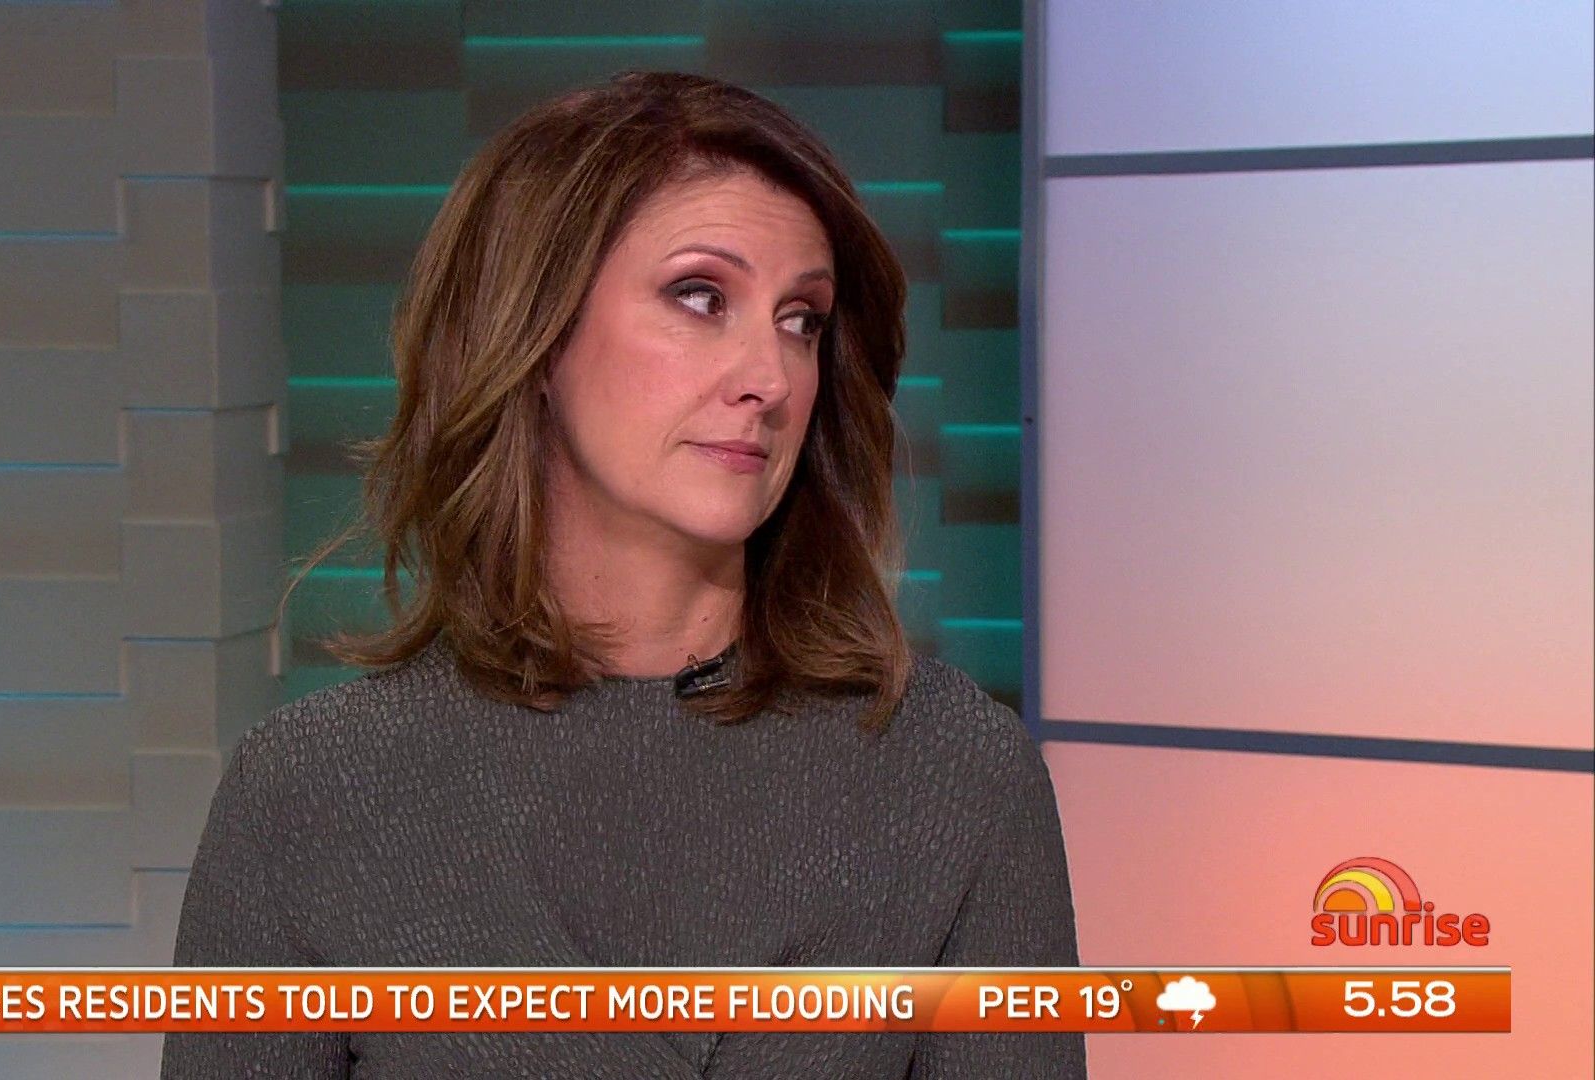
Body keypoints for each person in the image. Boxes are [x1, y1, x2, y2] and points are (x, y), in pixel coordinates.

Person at [162, 70, 1084, 1078]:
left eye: (801, 320)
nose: (769, 379)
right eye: (701, 297)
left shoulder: (958, 774)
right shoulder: (312, 792)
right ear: (535, 334)